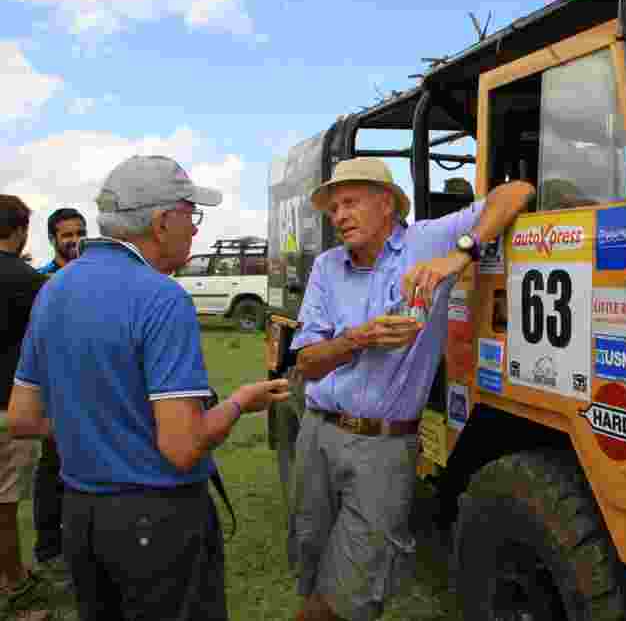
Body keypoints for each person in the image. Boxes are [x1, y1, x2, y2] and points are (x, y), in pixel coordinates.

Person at [7, 155, 291, 621]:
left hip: (81, 515)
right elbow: (182, 446)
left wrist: (98, 429)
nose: (196, 230)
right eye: (190, 215)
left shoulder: (53, 289)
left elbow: (22, 417)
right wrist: (241, 401)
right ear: (161, 222)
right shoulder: (162, 297)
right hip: (157, 519)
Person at [287, 156, 534, 621]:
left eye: (350, 203)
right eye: (334, 207)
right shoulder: (326, 267)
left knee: (355, 590)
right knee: (313, 563)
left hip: (384, 447)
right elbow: (306, 364)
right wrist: (360, 338)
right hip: (317, 435)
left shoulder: (428, 240)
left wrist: (460, 254)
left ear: (386, 205)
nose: (339, 216)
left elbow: (516, 191)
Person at [32, 207, 88, 590]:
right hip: (54, 392)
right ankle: (50, 548)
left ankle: (83, 550)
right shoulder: (38, 280)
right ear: (52, 239)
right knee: (53, 469)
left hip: (89, 389)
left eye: (80, 232)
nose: (74, 239)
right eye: (66, 234)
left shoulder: (92, 278)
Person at [0, 195, 47, 616]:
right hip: (8, 407)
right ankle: (14, 589)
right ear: (19, 231)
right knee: (4, 506)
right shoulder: (28, 282)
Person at [36, 208, 87, 275]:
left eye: (81, 234)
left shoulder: (97, 273)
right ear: (52, 239)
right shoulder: (41, 278)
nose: (76, 240)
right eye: (67, 235)